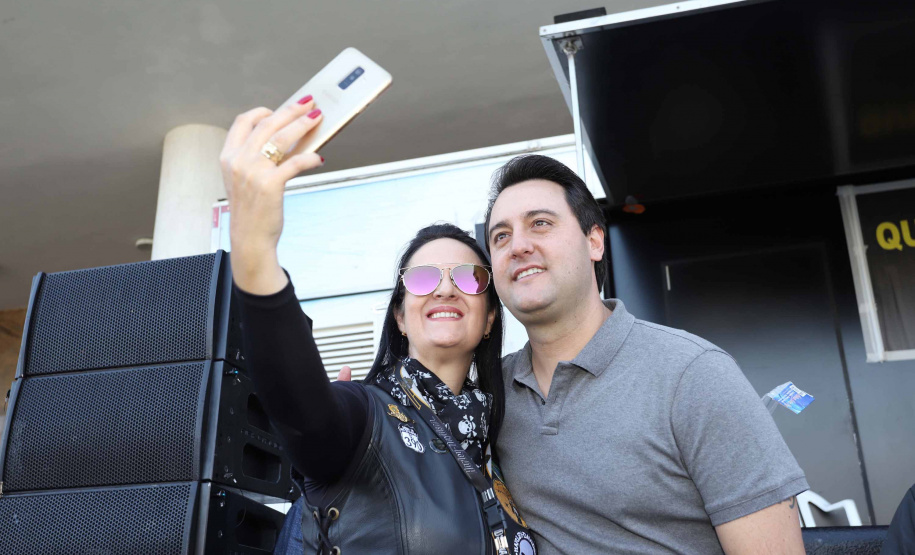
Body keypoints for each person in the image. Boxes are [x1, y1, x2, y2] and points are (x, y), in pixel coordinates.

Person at [220, 98, 535, 554]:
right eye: (423, 278)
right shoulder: (363, 418)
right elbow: (303, 410)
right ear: (400, 317)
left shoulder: (499, 446)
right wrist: (254, 250)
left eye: (468, 278)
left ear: (489, 318)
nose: (445, 290)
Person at [481, 154, 809, 554]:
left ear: (594, 241)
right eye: (501, 236)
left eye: (540, 224)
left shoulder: (694, 375)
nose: (518, 246)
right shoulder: (488, 396)